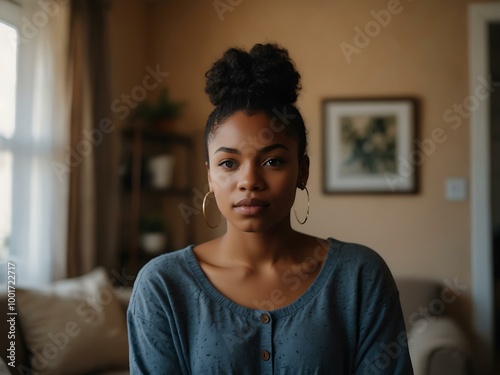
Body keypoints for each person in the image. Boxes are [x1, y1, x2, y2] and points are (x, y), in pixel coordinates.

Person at [127, 43, 414, 374]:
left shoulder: (360, 276)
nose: (249, 180)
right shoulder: (163, 286)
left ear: (302, 170)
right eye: (229, 163)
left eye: (272, 160)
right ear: (209, 176)